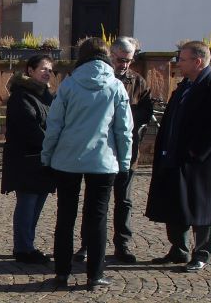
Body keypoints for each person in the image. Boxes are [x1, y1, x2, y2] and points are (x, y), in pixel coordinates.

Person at [41, 37, 133, 290]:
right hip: (103, 161)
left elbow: (54, 125)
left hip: (67, 159)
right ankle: (95, 274)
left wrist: (46, 156)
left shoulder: (68, 85)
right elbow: (124, 130)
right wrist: (124, 161)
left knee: (65, 215)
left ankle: (61, 272)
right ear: (107, 57)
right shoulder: (115, 86)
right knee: (97, 218)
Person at [146, 40, 211, 272]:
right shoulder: (184, 87)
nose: (178, 63)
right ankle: (179, 249)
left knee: (201, 208)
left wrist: (196, 153)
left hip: (199, 163)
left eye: (182, 59)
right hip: (173, 157)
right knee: (175, 204)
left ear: (197, 61)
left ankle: (201, 253)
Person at [74, 37, 152, 264]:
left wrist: (124, 120)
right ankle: (87, 244)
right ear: (111, 55)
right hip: (101, 151)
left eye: (129, 60)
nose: (124, 64)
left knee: (124, 202)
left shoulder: (138, 82)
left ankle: (122, 245)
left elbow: (145, 113)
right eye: (120, 59)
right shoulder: (97, 77)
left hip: (128, 152)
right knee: (95, 201)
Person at [0, 55, 55, 264]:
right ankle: (23, 248)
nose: (47, 72)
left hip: (43, 159)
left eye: (50, 70)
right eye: (43, 69)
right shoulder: (21, 96)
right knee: (27, 204)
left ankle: (27, 244)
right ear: (30, 70)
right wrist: (52, 143)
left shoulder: (47, 96)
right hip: (25, 160)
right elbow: (29, 129)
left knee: (37, 205)